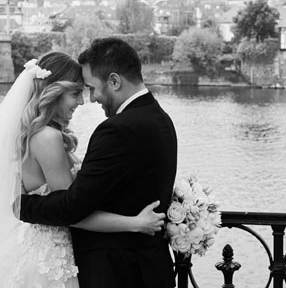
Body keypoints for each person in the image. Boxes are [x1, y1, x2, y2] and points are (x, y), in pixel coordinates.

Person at [0, 51, 164, 288]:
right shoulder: (48, 138)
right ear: (53, 92)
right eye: (76, 93)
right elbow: (71, 212)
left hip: (31, 244)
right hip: (50, 256)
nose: (81, 102)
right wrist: (134, 223)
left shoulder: (29, 134)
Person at [20, 39, 178, 288]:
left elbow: (71, 208)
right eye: (78, 92)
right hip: (142, 267)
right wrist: (135, 223)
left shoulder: (118, 130)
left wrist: (22, 206)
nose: (89, 99)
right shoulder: (160, 118)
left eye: (91, 88)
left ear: (114, 81)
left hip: (119, 273)